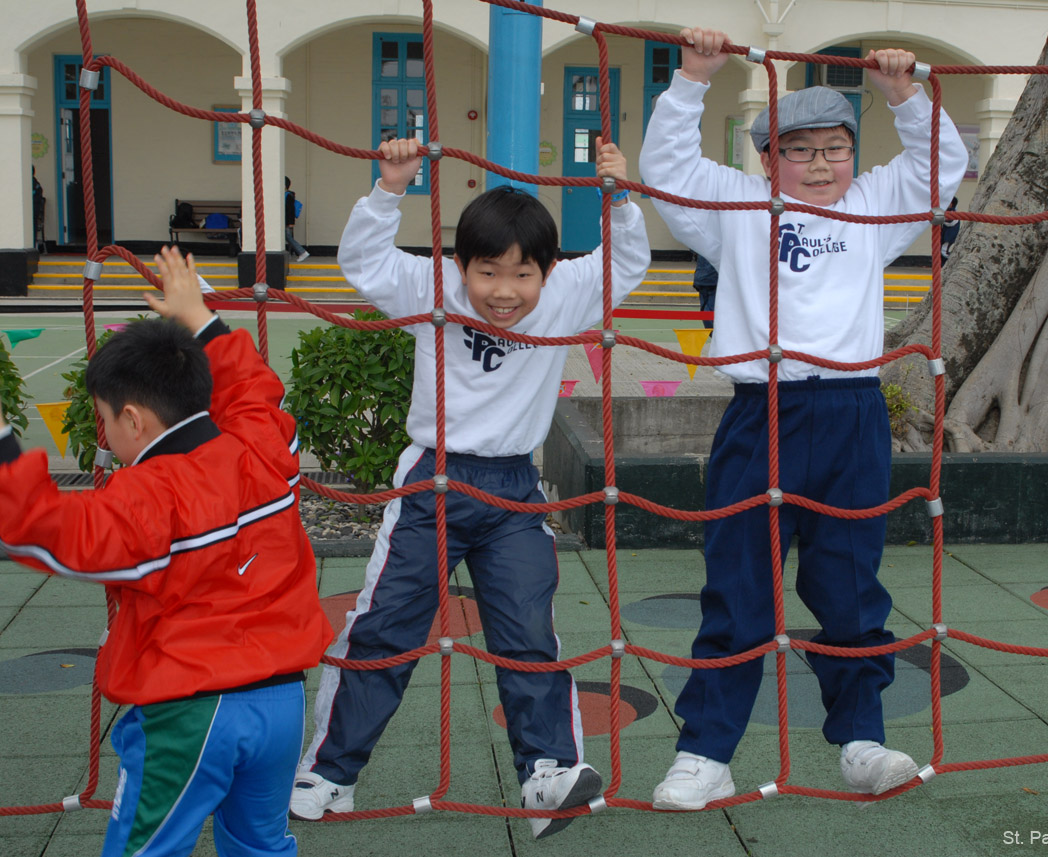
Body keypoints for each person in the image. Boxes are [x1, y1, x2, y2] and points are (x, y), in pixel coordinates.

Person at [638, 27, 966, 808]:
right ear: (766, 158)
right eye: (800, 150)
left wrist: (904, 96)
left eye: (835, 148)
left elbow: (939, 169)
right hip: (761, 416)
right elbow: (668, 169)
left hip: (851, 415)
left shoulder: (876, 207)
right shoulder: (736, 205)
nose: (821, 165)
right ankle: (705, 751)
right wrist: (693, 78)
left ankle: (861, 737)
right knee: (739, 586)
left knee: (849, 586)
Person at [289, 137, 650, 839]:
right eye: (488, 272)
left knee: (526, 629)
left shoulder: (569, 291)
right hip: (435, 480)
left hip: (515, 488)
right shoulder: (436, 288)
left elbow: (626, 262)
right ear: (461, 266)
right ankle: (330, 773)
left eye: (522, 274)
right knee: (386, 626)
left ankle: (547, 771)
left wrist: (620, 197)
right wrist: (389, 186)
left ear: (549, 271)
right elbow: (362, 264)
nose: (505, 292)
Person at [0, 245, 333, 856]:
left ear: (132, 420)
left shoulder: (147, 496)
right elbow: (254, 390)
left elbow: (44, 529)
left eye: (106, 422)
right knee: (260, 845)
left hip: (192, 712)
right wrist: (200, 319)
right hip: (283, 700)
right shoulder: (259, 450)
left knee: (146, 850)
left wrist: (1, 445)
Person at [285, 176, 310, 262]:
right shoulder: (286, 195)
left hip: (287, 222)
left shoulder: (288, 196)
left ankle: (301, 252)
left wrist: (291, 222)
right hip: (286, 221)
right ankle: (293, 254)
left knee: (288, 237)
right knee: (288, 237)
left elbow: (290, 210)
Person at [692, 252, 718, 328]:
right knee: (709, 310)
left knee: (706, 310)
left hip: (702, 279)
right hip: (711, 280)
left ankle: (713, 333)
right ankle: (714, 333)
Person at [940, 196, 960, 263]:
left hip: (949, 236)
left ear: (951, 204)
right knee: (941, 249)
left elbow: (950, 221)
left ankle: (952, 262)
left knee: (944, 250)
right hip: (945, 235)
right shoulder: (947, 212)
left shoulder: (953, 213)